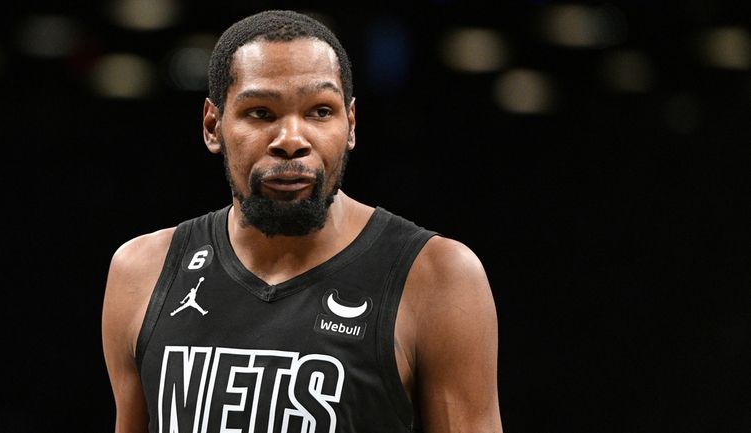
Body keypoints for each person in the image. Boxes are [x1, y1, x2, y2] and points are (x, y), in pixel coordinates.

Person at [101, 9, 503, 433]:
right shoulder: (141, 271)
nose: (291, 141)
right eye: (260, 113)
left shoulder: (438, 277)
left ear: (350, 124)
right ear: (213, 125)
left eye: (319, 112)